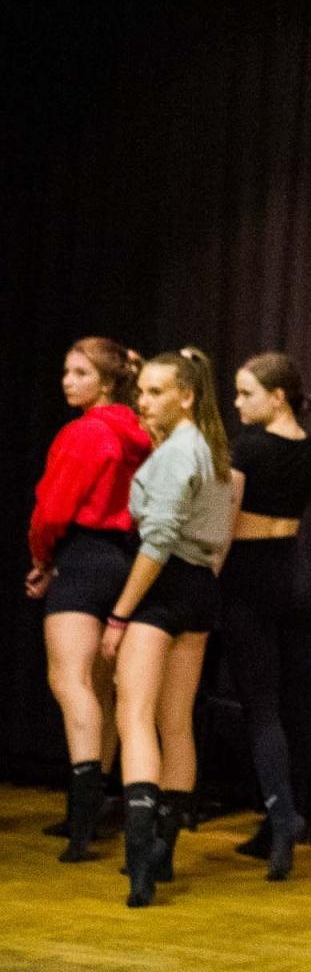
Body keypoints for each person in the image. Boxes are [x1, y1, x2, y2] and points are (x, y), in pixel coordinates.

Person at [101, 348, 233, 907]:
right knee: (175, 721)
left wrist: (120, 614)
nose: (143, 401)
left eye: (155, 391)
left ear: (186, 395)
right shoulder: (208, 451)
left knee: (136, 717)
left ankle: (140, 864)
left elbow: (156, 541)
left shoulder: (180, 453)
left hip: (164, 587)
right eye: (141, 391)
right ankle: (163, 851)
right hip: (199, 587)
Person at [25, 337, 150, 862]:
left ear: (104, 382)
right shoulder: (142, 432)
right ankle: (96, 811)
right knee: (101, 686)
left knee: (70, 682)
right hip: (126, 561)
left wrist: (42, 559)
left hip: (81, 558)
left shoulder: (85, 432)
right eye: (65, 370)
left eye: (79, 372)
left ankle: (81, 822)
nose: (67, 380)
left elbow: (51, 509)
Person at [221, 351, 311, 880]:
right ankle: (276, 826)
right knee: (296, 709)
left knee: (262, 708)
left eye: (246, 393)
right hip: (295, 581)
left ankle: (282, 816)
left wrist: (207, 582)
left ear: (277, 397)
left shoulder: (246, 448)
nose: (237, 402)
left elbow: (224, 524)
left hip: (247, 580)